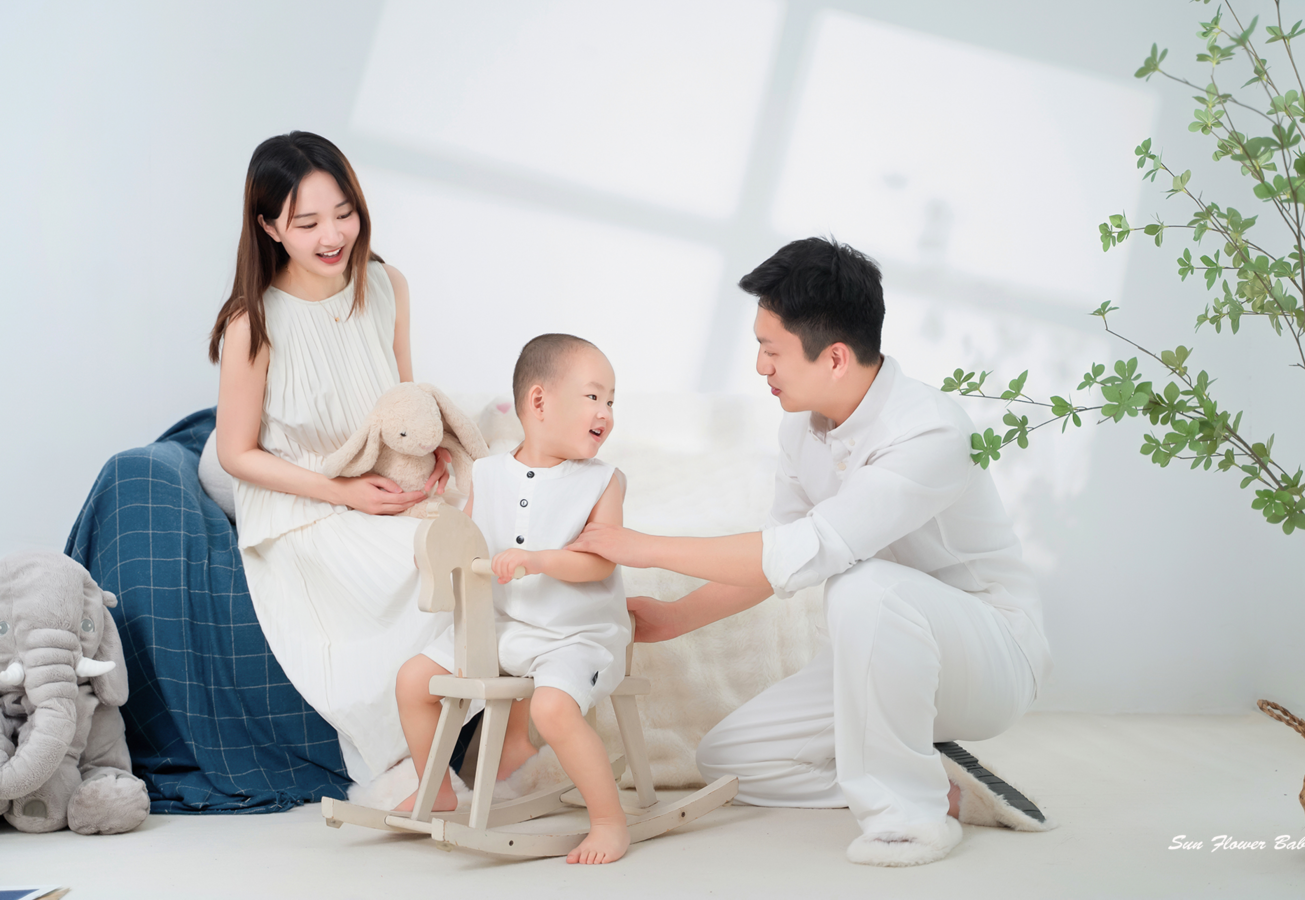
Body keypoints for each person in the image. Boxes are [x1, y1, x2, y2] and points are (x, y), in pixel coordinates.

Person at [567, 238, 1052, 867]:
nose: (760, 366)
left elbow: (812, 549)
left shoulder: (929, 430)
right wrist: (677, 617)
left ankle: (910, 820)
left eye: (771, 350)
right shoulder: (802, 426)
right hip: (883, 648)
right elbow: (778, 554)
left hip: (990, 656)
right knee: (732, 759)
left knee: (861, 582)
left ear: (835, 357)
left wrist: (641, 547)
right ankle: (948, 790)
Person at [210, 131, 459, 785]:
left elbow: (404, 399)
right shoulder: (253, 322)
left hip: (375, 473)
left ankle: (513, 745)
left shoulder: (386, 285)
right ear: (269, 227)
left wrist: (431, 451)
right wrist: (343, 492)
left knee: (494, 537)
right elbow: (236, 452)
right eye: (308, 222)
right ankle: (411, 764)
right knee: (427, 566)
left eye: (344, 213)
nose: (333, 235)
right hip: (300, 494)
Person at [396, 334, 633, 865]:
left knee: (551, 708)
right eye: (593, 396)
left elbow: (601, 562)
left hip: (574, 636)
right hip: (501, 628)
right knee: (413, 680)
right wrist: (435, 553)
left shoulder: (603, 482)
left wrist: (541, 559)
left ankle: (608, 821)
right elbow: (469, 541)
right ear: (540, 401)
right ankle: (437, 789)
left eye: (611, 401)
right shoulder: (487, 474)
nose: (606, 412)